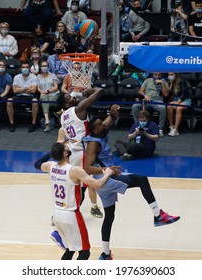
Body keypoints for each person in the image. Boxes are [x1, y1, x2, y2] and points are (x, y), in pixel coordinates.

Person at [83, 109, 180, 260]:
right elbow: (87, 168)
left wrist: (114, 112)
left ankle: (105, 253)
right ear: (95, 129)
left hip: (104, 180)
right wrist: (106, 169)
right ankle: (158, 215)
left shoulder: (100, 132)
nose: (104, 125)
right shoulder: (92, 144)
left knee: (109, 216)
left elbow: (110, 119)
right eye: (101, 124)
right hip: (105, 178)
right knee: (142, 179)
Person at [34, 142, 112, 260]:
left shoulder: (50, 166)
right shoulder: (75, 170)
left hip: (57, 214)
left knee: (70, 250)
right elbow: (98, 184)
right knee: (85, 252)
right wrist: (107, 173)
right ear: (65, 153)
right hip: (71, 215)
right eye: (66, 148)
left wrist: (52, 152)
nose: (69, 147)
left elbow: (37, 163)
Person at [56, 87, 104, 218]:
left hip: (74, 150)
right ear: (67, 104)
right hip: (81, 152)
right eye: (69, 97)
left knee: (76, 183)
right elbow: (99, 91)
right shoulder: (78, 110)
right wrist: (89, 91)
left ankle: (64, 209)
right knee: (83, 184)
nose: (73, 97)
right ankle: (69, 212)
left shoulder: (63, 117)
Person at [132, 72, 169, 137]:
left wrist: (162, 84)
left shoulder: (164, 82)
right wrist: (145, 95)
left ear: (161, 75)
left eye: (159, 75)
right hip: (147, 100)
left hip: (157, 101)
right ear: (153, 74)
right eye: (156, 75)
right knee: (135, 106)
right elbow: (140, 91)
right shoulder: (147, 80)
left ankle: (160, 129)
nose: (157, 76)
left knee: (163, 108)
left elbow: (166, 94)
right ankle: (138, 126)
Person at [7, 61, 38, 132]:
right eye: (23, 67)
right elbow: (15, 91)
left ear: (29, 68)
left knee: (35, 102)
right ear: (21, 68)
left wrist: (20, 88)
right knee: (9, 101)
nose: (25, 69)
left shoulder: (34, 77)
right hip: (19, 96)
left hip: (30, 96)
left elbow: (33, 90)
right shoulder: (16, 77)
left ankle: (33, 123)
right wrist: (26, 88)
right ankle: (11, 123)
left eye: (27, 67)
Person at [37, 60, 60, 132]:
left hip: (54, 95)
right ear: (40, 67)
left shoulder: (53, 75)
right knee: (45, 98)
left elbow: (56, 88)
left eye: (46, 66)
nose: (45, 67)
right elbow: (38, 88)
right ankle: (47, 119)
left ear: (48, 67)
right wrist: (41, 92)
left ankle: (47, 123)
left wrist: (46, 92)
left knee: (45, 100)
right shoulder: (38, 76)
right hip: (44, 95)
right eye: (43, 66)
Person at [0, 60, 12, 131]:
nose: (2, 66)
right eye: (0, 65)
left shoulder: (8, 77)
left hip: (3, 94)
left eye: (3, 65)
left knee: (3, 103)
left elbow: (7, 90)